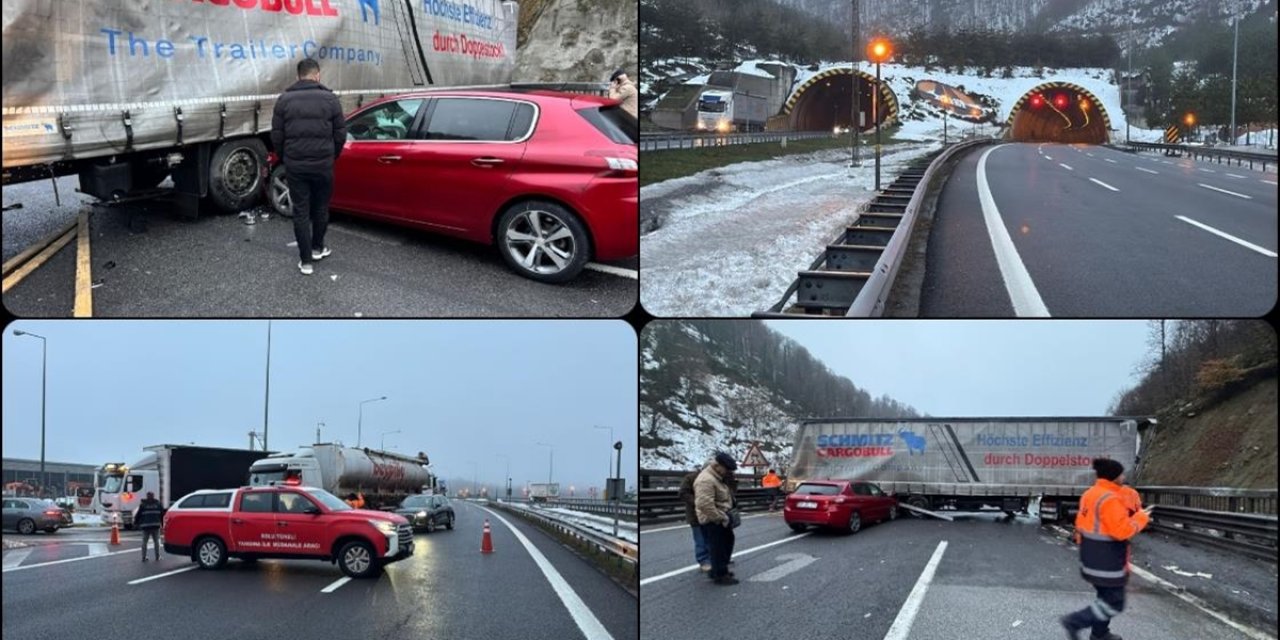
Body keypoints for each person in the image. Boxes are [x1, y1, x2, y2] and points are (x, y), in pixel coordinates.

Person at [1060, 458, 1152, 640]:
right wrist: (1141, 518)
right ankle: (1075, 621)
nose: (1124, 477)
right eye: (1121, 474)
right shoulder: (1111, 499)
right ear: (1114, 477)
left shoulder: (1090, 494)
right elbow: (1121, 531)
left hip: (1090, 555)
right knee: (1115, 602)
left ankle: (1100, 634)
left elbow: (1081, 524)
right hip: (1107, 559)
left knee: (1104, 598)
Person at [270, 58, 347, 276]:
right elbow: (340, 133)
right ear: (318, 75)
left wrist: (286, 158)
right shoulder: (330, 99)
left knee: (301, 211)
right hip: (323, 164)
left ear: (298, 76)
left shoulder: (284, 100)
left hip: (296, 166)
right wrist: (332, 155)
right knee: (321, 207)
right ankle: (317, 248)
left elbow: (277, 136)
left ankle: (306, 262)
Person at [694, 451, 738, 585]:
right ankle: (720, 574)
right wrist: (720, 518)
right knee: (718, 547)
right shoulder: (706, 480)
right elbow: (704, 504)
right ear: (718, 465)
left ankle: (718, 570)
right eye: (726, 469)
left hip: (720, 517)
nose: (727, 472)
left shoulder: (716, 477)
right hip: (713, 520)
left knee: (726, 542)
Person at [678, 468, 711, 572]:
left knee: (713, 538)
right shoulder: (691, 478)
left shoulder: (715, 478)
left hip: (711, 514)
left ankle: (714, 558)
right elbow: (683, 493)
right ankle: (704, 561)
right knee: (700, 539)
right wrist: (698, 502)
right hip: (695, 514)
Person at [135, 491, 165, 562]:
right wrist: (162, 525)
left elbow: (138, 515)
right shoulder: (158, 504)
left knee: (144, 542)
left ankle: (143, 557)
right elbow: (162, 515)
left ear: (147, 496)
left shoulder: (143, 505)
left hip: (145, 526)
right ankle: (157, 556)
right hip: (156, 526)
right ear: (153, 496)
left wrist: (136, 523)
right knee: (156, 542)